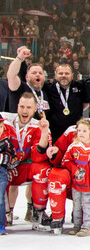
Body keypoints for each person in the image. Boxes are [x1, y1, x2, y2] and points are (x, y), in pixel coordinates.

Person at [53, 119, 90, 236]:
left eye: (84, 131)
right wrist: (75, 169)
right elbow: (66, 160)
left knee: (86, 205)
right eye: (79, 131)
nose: (81, 133)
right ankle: (77, 226)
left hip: (88, 185)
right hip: (76, 183)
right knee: (76, 205)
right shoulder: (73, 147)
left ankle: (86, 227)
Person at [4, 93, 50, 228]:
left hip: (25, 166)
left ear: (35, 109)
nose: (25, 111)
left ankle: (38, 211)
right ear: (17, 106)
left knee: (42, 170)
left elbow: (39, 155)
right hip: (7, 165)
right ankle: (6, 212)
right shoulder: (5, 120)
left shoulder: (39, 125)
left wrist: (44, 132)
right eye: (22, 106)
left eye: (29, 107)